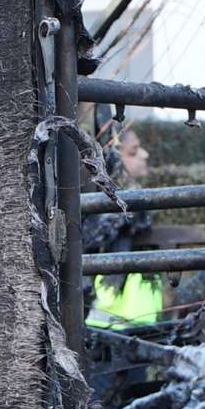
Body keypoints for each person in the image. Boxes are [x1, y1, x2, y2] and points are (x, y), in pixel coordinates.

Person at [87, 125, 165, 329]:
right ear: (113, 156)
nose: (145, 155)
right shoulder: (116, 216)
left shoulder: (129, 211)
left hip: (130, 325)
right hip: (112, 326)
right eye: (134, 150)